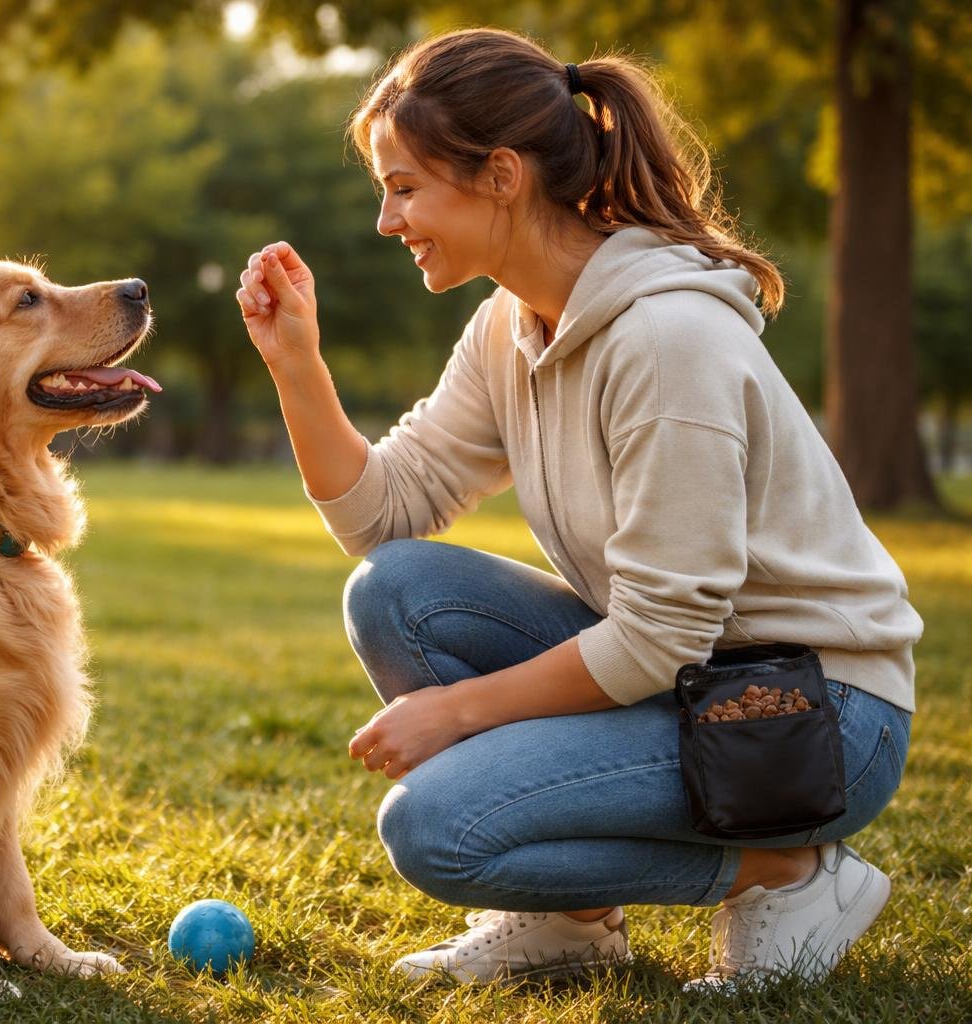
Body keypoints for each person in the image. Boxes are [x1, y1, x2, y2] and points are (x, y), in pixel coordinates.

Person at [235, 27, 920, 992]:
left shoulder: (667, 339)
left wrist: (458, 713)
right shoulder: (510, 325)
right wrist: (295, 365)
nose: (388, 220)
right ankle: (571, 924)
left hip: (815, 714)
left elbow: (661, 633)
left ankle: (786, 868)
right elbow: (385, 519)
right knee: (397, 589)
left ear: (502, 175)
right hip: (686, 679)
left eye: (404, 187)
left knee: (438, 828)